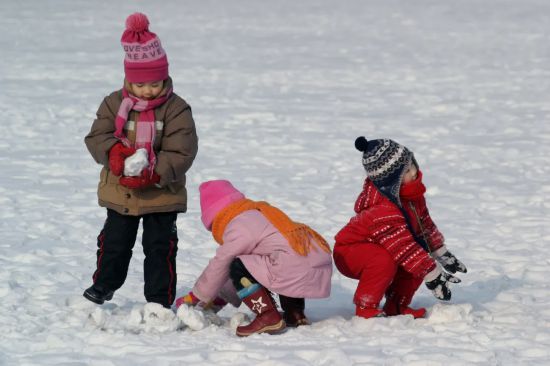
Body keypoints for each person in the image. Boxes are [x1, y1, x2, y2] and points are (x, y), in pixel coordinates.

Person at [82, 13, 198, 308]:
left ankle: (159, 299)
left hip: (162, 191)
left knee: (160, 246)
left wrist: (154, 173)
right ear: (128, 80)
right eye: (141, 84)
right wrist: (115, 155)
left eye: (155, 83)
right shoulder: (113, 103)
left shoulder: (176, 108)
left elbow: (182, 150)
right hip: (121, 189)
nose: (149, 90)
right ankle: (104, 284)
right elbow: (97, 137)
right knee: (115, 242)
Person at [175, 180, 333, 336]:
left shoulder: (239, 223)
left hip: (293, 264)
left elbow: (223, 262)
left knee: (239, 264)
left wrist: (197, 295)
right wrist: (220, 299)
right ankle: (295, 314)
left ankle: (267, 316)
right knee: (279, 257)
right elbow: (251, 266)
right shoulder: (258, 213)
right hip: (314, 261)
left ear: (217, 216)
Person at [333, 137, 467, 319]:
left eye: (413, 164)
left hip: (386, 248)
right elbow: (403, 248)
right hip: (351, 252)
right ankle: (366, 307)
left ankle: (396, 305)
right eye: (407, 170)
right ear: (392, 179)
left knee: (419, 257)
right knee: (394, 259)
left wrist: (440, 253)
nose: (414, 172)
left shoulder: (412, 195)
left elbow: (424, 225)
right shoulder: (383, 209)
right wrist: (433, 275)